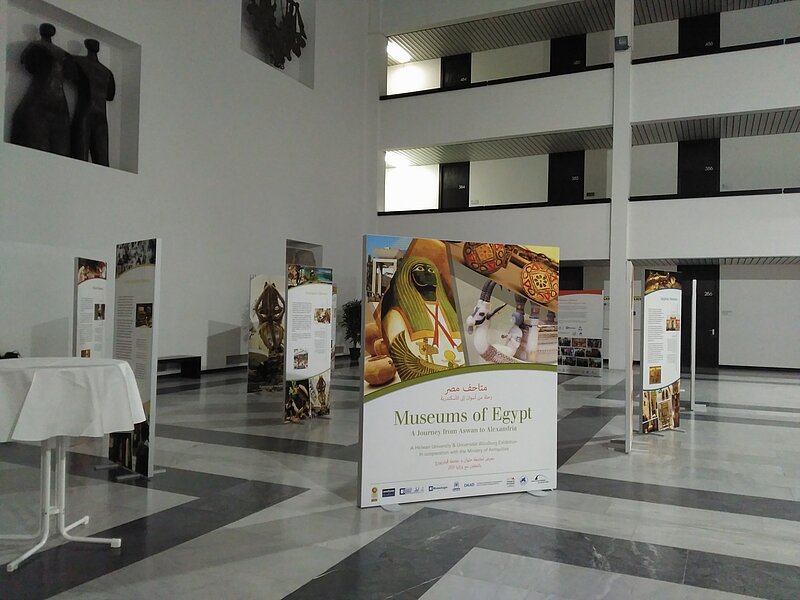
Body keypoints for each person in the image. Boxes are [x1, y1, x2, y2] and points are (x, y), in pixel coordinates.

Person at [11, 23, 72, 155]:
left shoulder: (36, 47)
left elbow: (29, 66)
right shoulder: (40, 48)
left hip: (45, 99)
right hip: (55, 102)